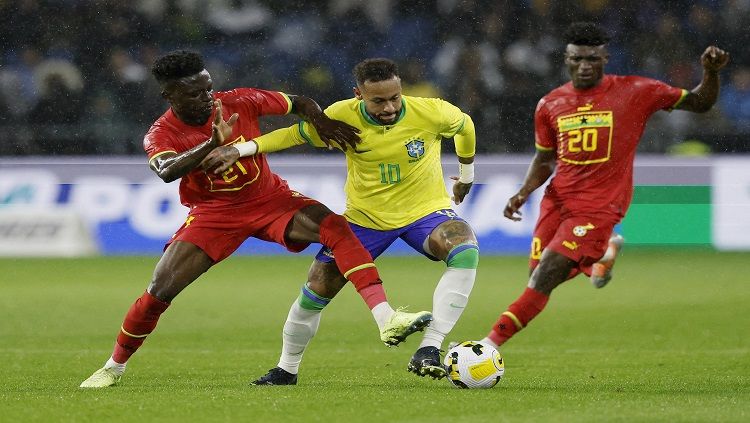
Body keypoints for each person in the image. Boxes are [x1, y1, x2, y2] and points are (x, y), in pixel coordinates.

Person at [79, 50, 431, 388]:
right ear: (169, 94)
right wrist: (210, 145)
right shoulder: (160, 133)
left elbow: (300, 103)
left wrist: (321, 121)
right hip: (214, 215)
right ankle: (113, 367)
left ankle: (387, 319)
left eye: (208, 87)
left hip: (270, 199)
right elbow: (167, 170)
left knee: (335, 226)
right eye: (194, 92)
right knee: (159, 290)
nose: (207, 97)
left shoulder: (241, 100)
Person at [202, 58, 480, 383]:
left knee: (464, 246)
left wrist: (466, 174)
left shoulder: (431, 112)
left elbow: (465, 126)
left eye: (395, 97)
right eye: (378, 101)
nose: (389, 107)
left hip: (425, 211)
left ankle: (429, 348)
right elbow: (295, 135)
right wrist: (243, 149)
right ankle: (286, 369)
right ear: (358, 95)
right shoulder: (341, 116)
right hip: (365, 219)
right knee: (315, 290)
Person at [476, 22, 729, 351]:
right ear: (566, 60)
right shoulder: (550, 104)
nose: (584, 66)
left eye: (592, 59)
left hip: (599, 207)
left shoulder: (637, 90)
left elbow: (700, 103)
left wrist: (710, 73)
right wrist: (523, 192)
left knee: (545, 276)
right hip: (557, 201)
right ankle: (598, 259)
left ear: (605, 58)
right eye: (577, 59)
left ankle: (485, 347)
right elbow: (545, 159)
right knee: (537, 275)